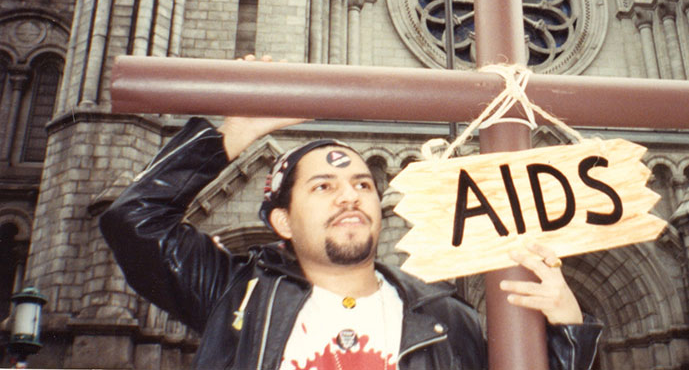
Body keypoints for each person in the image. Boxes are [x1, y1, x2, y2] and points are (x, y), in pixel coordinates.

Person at [100, 109, 602, 370]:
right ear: (283, 222)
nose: (349, 196)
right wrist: (231, 135)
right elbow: (133, 219)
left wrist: (568, 329)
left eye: (363, 184)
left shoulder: (447, 318)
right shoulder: (237, 297)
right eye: (323, 187)